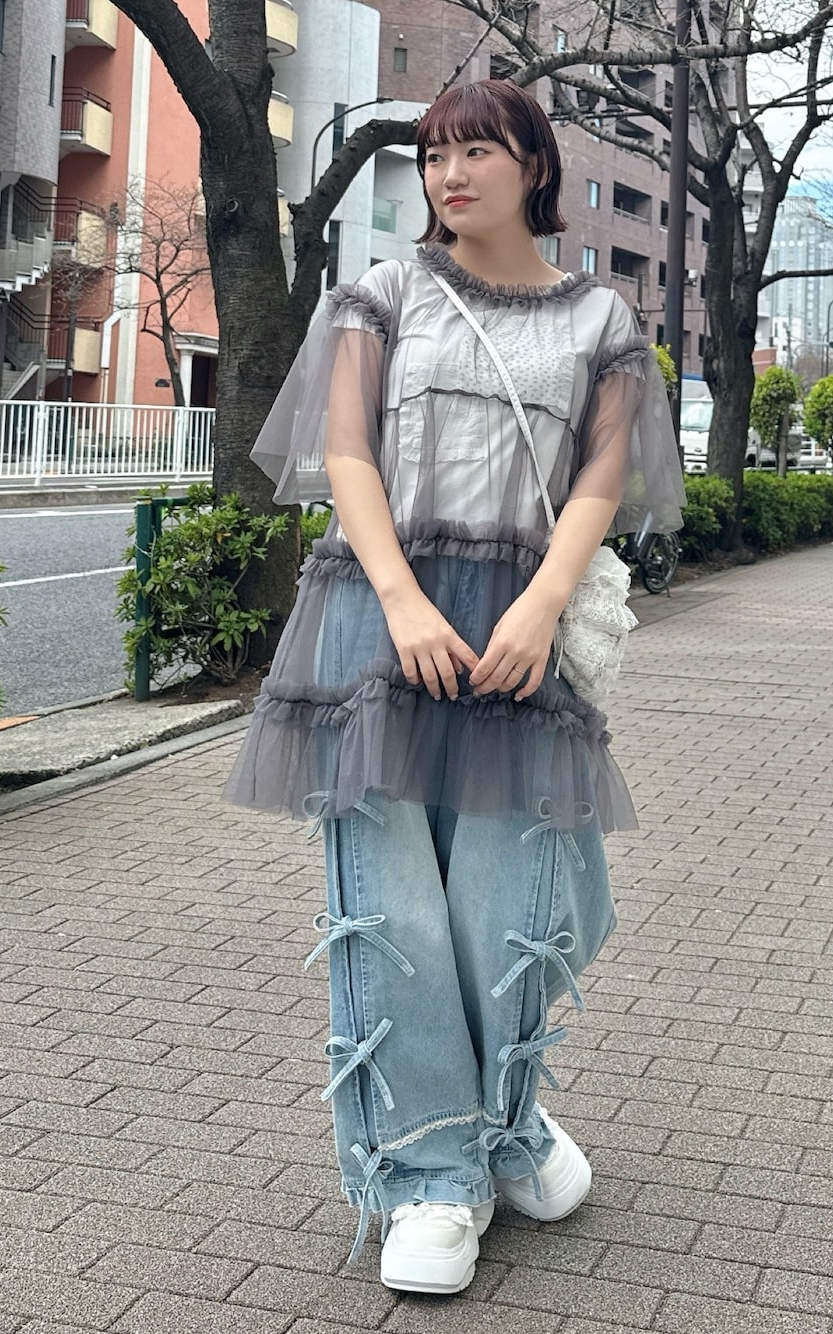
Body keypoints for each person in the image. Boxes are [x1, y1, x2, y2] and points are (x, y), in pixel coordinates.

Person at [226, 78, 685, 1295]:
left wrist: (538, 602)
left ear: (535, 166)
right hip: (378, 615)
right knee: (393, 897)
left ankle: (505, 1117)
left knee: (514, 887)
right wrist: (401, 599)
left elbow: (598, 480)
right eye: (434, 153)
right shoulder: (380, 295)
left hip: (519, 628)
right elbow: (346, 454)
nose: (449, 173)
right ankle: (430, 1171)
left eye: (477, 149)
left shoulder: (601, 319)